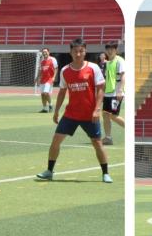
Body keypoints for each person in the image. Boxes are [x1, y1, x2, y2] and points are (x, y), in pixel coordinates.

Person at [35, 38, 110, 183]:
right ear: (70, 52)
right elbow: (62, 91)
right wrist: (56, 111)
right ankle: (49, 171)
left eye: (81, 51)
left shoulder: (93, 68)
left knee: (97, 143)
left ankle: (105, 173)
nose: (78, 54)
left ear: (85, 52)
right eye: (75, 51)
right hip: (71, 114)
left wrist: (97, 109)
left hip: (90, 115)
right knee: (56, 140)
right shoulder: (65, 70)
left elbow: (101, 88)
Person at [101, 41, 125, 146]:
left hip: (116, 94)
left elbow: (123, 76)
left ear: (116, 50)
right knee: (105, 115)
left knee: (113, 116)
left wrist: (120, 90)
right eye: (108, 49)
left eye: (112, 49)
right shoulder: (107, 63)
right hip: (108, 94)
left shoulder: (120, 60)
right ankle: (108, 138)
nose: (110, 51)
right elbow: (107, 79)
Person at [36, 47, 58, 113]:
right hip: (43, 79)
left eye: (45, 52)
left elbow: (56, 68)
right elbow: (40, 71)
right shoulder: (42, 61)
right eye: (43, 52)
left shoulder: (53, 59)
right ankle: (45, 108)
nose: (44, 53)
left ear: (48, 52)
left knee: (46, 93)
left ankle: (50, 105)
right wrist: (37, 78)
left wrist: (54, 77)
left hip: (49, 79)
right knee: (42, 94)